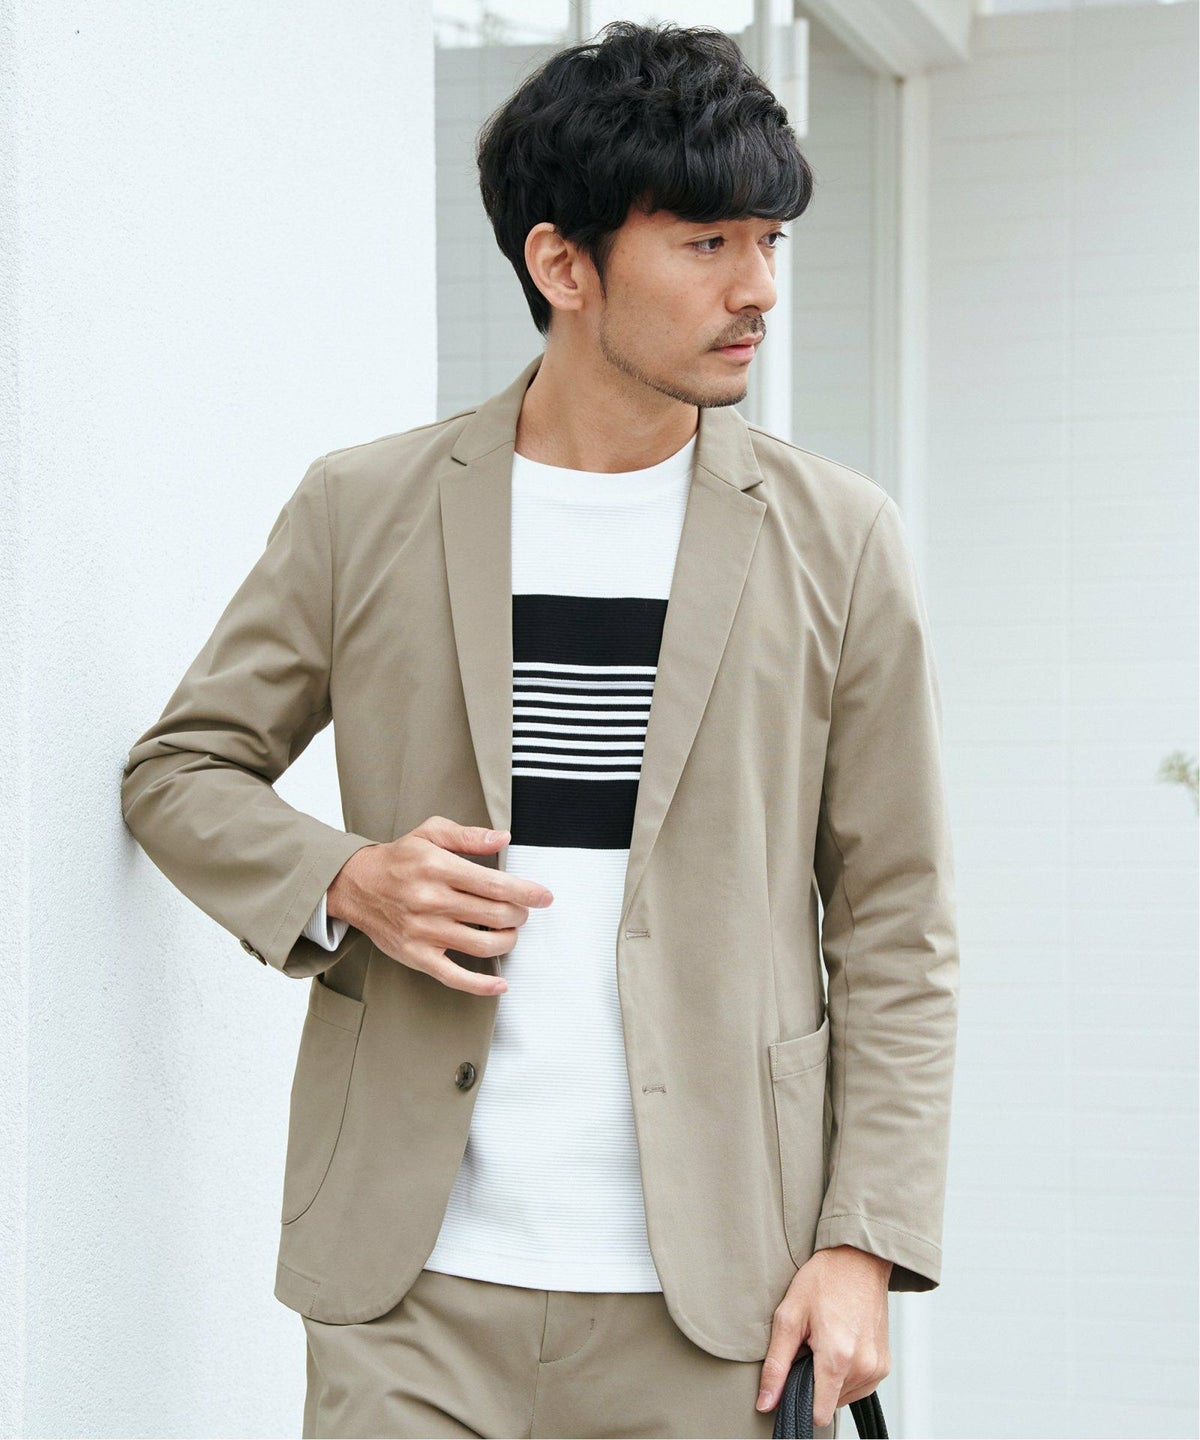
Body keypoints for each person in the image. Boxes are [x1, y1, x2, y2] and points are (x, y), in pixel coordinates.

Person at [120, 20, 959, 1440]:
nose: (758, 287)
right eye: (707, 243)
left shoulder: (840, 540)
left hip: (720, 1304)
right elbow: (181, 770)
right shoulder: (363, 508)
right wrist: (344, 878)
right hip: (411, 1293)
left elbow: (897, 918)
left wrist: (863, 1244)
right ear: (562, 265)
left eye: (770, 241)